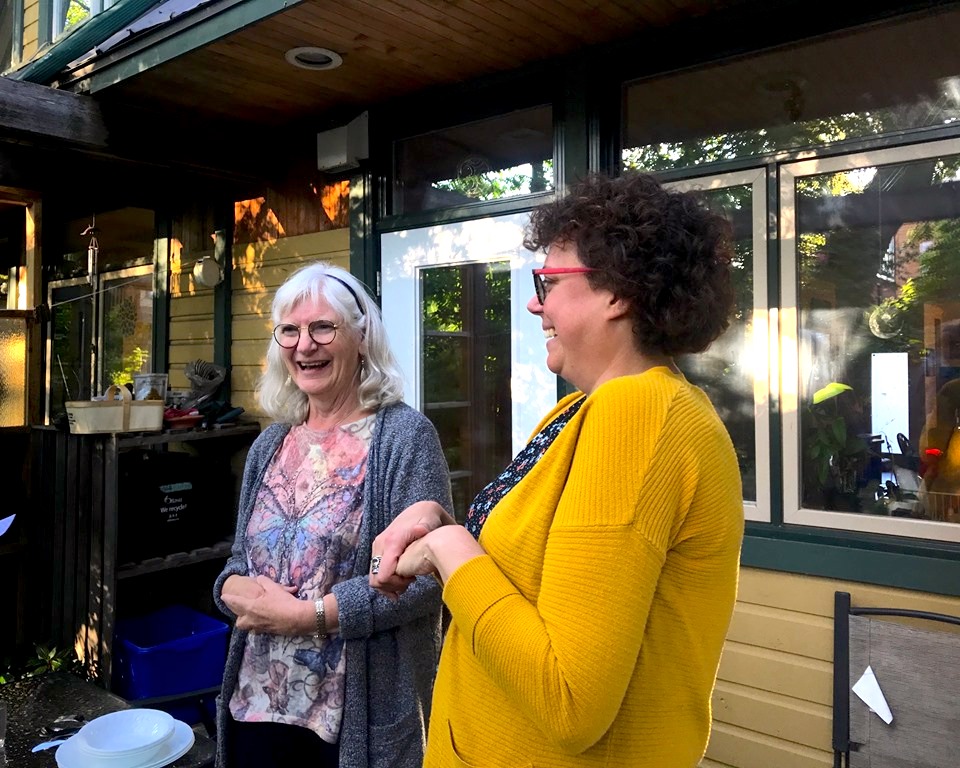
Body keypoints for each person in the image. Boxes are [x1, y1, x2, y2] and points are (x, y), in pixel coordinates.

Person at [370, 172, 745, 768]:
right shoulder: (585, 409)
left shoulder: (639, 413)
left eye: (549, 280)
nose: (533, 301)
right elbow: (534, 576)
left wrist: (447, 549)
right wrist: (438, 525)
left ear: (617, 292)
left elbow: (568, 697)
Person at [213, 262, 453, 768]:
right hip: (254, 706)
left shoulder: (404, 438)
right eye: (291, 331)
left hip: (349, 724)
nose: (305, 345)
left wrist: (308, 616)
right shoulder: (270, 444)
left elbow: (428, 579)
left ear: (361, 338)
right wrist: (228, 591)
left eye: (323, 327)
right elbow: (238, 563)